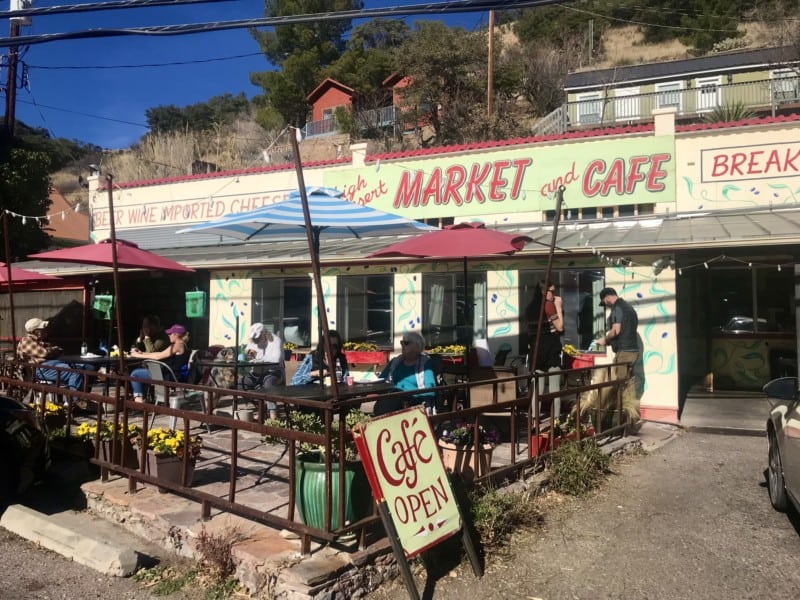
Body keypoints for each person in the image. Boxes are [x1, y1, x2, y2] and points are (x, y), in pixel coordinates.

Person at [596, 287, 641, 424]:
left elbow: (616, 330)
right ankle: (630, 416)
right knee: (628, 386)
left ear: (607, 298)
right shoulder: (629, 308)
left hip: (624, 353)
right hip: (632, 351)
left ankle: (620, 420)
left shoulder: (617, 308)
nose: (606, 306)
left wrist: (605, 339)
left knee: (620, 385)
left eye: (605, 303)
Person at [16, 317, 94, 396]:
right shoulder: (27, 340)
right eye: (43, 328)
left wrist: (52, 350)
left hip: (51, 364)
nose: (46, 330)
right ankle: (75, 401)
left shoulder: (42, 340)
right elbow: (44, 353)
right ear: (36, 331)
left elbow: (59, 350)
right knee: (75, 372)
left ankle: (83, 397)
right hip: (40, 369)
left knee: (88, 368)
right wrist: (52, 350)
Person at [374, 332, 437, 416]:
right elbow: (381, 380)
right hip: (394, 398)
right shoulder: (395, 362)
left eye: (406, 343)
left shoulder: (425, 363)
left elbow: (430, 389)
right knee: (383, 405)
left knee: (387, 406)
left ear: (417, 346)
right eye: (401, 343)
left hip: (413, 402)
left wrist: (411, 396)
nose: (402, 346)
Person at [129, 324, 190, 403]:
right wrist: (142, 353)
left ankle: (139, 401)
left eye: (170, 334)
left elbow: (158, 356)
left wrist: (136, 355)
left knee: (135, 374)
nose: (168, 335)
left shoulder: (177, 346)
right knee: (141, 373)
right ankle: (142, 399)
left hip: (169, 376)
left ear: (176, 335)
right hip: (173, 374)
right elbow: (159, 353)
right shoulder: (183, 345)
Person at [524, 280, 565, 400]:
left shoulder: (529, 308)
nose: (554, 294)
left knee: (537, 389)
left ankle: (534, 417)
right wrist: (558, 306)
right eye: (552, 291)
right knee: (554, 388)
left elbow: (528, 330)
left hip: (536, 349)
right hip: (550, 348)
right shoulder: (548, 305)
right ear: (544, 291)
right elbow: (560, 326)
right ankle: (556, 418)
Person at [241, 323, 285, 420]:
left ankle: (273, 414)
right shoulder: (253, 341)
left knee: (268, 384)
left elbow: (276, 359)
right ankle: (260, 407)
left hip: (274, 372)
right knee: (240, 384)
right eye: (254, 338)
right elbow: (248, 351)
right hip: (257, 373)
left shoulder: (276, 341)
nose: (255, 340)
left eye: (258, 337)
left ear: (264, 333)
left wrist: (259, 357)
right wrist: (248, 353)